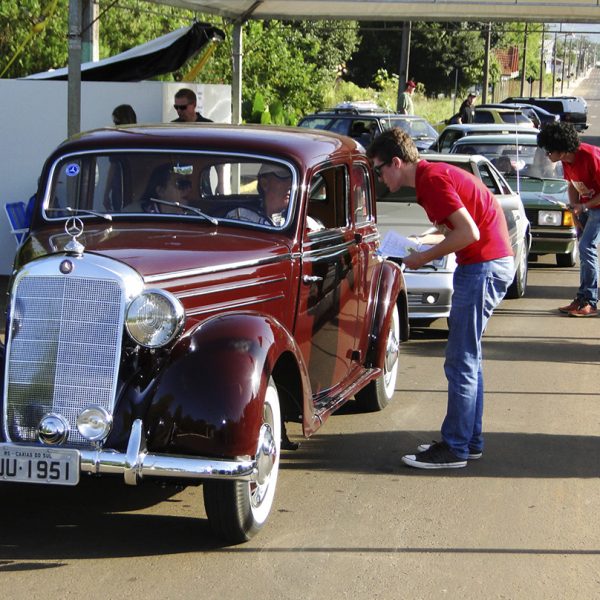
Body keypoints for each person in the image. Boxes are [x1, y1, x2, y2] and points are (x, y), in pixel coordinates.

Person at [367, 128, 514, 469]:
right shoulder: (431, 178)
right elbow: (460, 226)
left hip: (483, 267)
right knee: (468, 359)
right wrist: (426, 238)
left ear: (396, 162)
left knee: (460, 360)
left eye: (378, 170)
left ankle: (455, 448)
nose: (378, 177)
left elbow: (469, 233)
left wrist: (421, 256)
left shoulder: (431, 181)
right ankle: (468, 441)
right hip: (488, 264)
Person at [537, 121, 600, 317]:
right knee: (584, 251)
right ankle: (582, 298)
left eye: (549, 151)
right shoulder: (566, 161)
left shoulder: (591, 156)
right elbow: (573, 185)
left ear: (562, 149)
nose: (547, 155)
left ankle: (590, 301)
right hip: (587, 206)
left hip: (596, 206)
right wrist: (574, 208)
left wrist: (584, 206)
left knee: (586, 248)